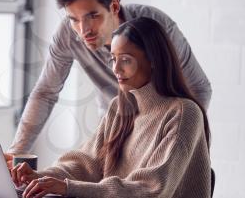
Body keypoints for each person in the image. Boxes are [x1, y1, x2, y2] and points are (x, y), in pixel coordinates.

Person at [6, 0, 212, 158]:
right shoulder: (68, 34)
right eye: (74, 19)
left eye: (92, 16)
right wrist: (16, 152)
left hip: (160, 132)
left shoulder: (154, 26)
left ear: (114, 6)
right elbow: (45, 92)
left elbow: (199, 88)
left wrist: (176, 140)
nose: (83, 29)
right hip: (114, 131)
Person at [11, 17, 211, 198]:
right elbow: (86, 163)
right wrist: (41, 176)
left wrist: (67, 187)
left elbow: (151, 190)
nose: (115, 69)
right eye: (113, 59)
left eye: (125, 60)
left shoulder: (184, 113)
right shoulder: (120, 107)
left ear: (153, 61)